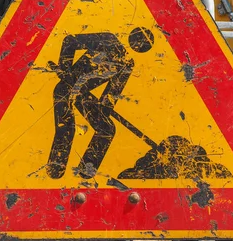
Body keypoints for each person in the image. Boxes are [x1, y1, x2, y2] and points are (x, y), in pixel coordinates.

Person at [46, 27, 154, 179]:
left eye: (143, 45)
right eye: (139, 41)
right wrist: (66, 70)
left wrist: (103, 108)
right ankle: (55, 170)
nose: (139, 45)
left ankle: (86, 171)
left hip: (82, 95)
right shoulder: (108, 40)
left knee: (107, 129)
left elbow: (110, 97)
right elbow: (69, 41)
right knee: (67, 127)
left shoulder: (127, 64)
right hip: (65, 88)